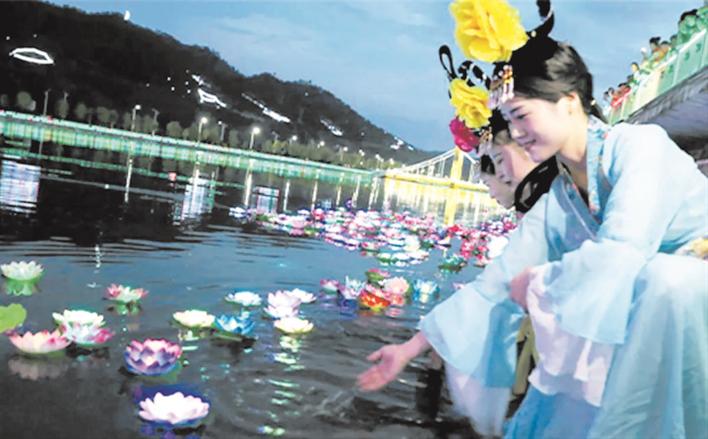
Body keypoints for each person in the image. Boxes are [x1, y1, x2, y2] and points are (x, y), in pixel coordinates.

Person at [358, 1, 707, 437]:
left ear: (569, 102)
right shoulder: (562, 196)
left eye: (522, 115)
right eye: (509, 119)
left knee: (664, 282)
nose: (518, 133)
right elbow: (497, 284)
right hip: (653, 313)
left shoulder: (639, 147)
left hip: (685, 298)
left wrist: (544, 282)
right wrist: (410, 348)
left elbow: (623, 252)